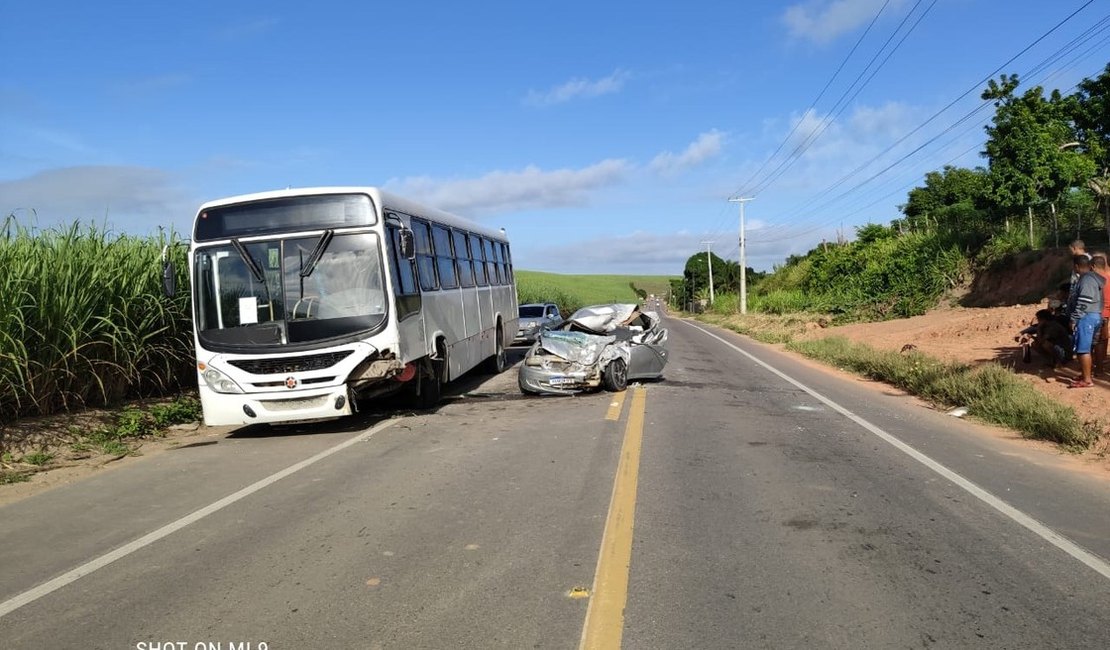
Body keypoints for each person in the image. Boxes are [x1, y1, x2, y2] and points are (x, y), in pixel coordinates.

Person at [1066, 254, 1106, 388]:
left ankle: (1087, 380)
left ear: (1077, 266)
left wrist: (1074, 318)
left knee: (1082, 349)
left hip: (1087, 317)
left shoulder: (1087, 279)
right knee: (1088, 347)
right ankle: (1085, 374)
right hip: (1094, 315)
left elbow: (1084, 300)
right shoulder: (1093, 278)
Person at [1092, 253, 1110, 373]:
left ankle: (1098, 368)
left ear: (1093, 266)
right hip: (1107, 313)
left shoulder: (1095, 280)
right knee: (1104, 338)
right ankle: (1102, 361)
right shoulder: (1108, 278)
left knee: (1096, 341)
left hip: (1097, 312)